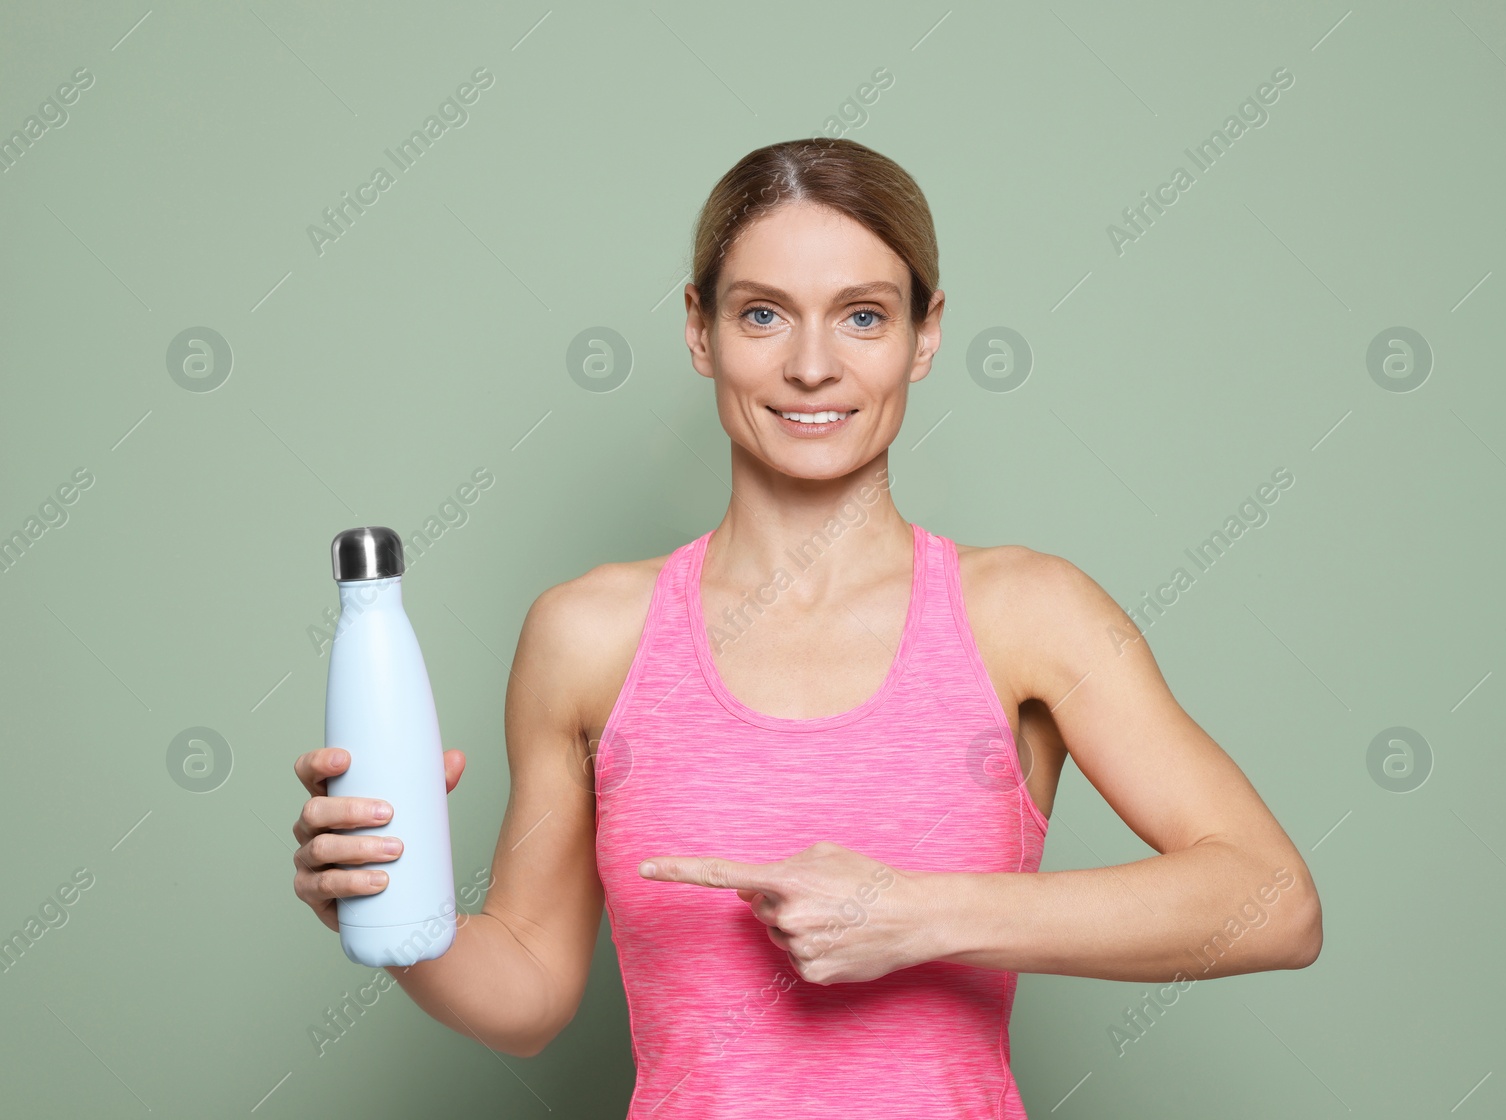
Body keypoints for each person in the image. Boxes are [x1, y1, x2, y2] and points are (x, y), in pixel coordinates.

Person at [291, 137, 1322, 1117]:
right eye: (763, 315)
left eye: (864, 316)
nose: (813, 366)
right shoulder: (587, 635)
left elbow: (1271, 900)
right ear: (699, 329)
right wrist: (395, 916)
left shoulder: (1026, 615)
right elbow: (527, 992)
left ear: (926, 334)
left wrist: (913, 914)